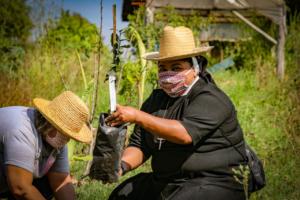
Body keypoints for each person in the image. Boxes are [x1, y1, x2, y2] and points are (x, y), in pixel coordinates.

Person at [106, 26, 249, 200]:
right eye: (162, 68)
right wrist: (122, 165)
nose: (168, 74)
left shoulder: (210, 98)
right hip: (169, 181)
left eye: (176, 68)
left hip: (215, 181)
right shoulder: (156, 100)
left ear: (195, 67)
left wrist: (138, 116)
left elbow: (184, 134)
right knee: (122, 195)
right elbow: (141, 144)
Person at [0, 91, 92, 200]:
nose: (67, 140)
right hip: (8, 179)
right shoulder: (22, 131)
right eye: (63, 132)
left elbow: (60, 181)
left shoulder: (57, 141)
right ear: (50, 123)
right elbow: (20, 188)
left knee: (46, 185)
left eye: (69, 136)